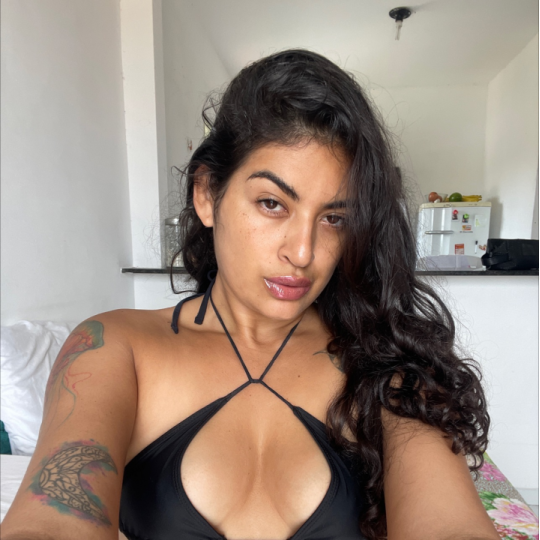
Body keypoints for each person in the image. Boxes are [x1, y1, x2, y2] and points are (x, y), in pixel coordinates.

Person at [2, 50, 500, 540]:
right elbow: (49, 524)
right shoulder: (114, 348)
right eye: (272, 203)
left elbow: (451, 528)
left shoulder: (389, 364)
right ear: (207, 194)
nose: (303, 252)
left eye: (334, 218)